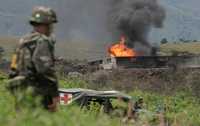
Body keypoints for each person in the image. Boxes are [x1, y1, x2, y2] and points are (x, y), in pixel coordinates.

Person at [8, 6, 59, 112]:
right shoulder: (42, 41)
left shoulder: (23, 41)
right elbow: (45, 70)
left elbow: (13, 69)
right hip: (37, 94)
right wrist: (54, 94)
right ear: (46, 24)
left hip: (20, 92)